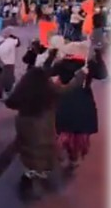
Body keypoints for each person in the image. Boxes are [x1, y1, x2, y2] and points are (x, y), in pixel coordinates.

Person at [5, 66, 87, 196]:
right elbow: (67, 89)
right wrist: (81, 74)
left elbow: (10, 102)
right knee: (43, 148)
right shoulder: (49, 89)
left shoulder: (24, 88)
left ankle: (30, 173)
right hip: (42, 124)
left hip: (24, 123)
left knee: (27, 147)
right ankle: (39, 175)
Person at [52, 42, 100, 170]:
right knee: (79, 133)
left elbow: (49, 71)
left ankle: (62, 151)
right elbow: (103, 74)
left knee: (64, 129)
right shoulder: (88, 65)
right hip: (83, 100)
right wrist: (98, 56)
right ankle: (74, 157)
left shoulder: (61, 64)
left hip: (65, 99)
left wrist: (52, 55)